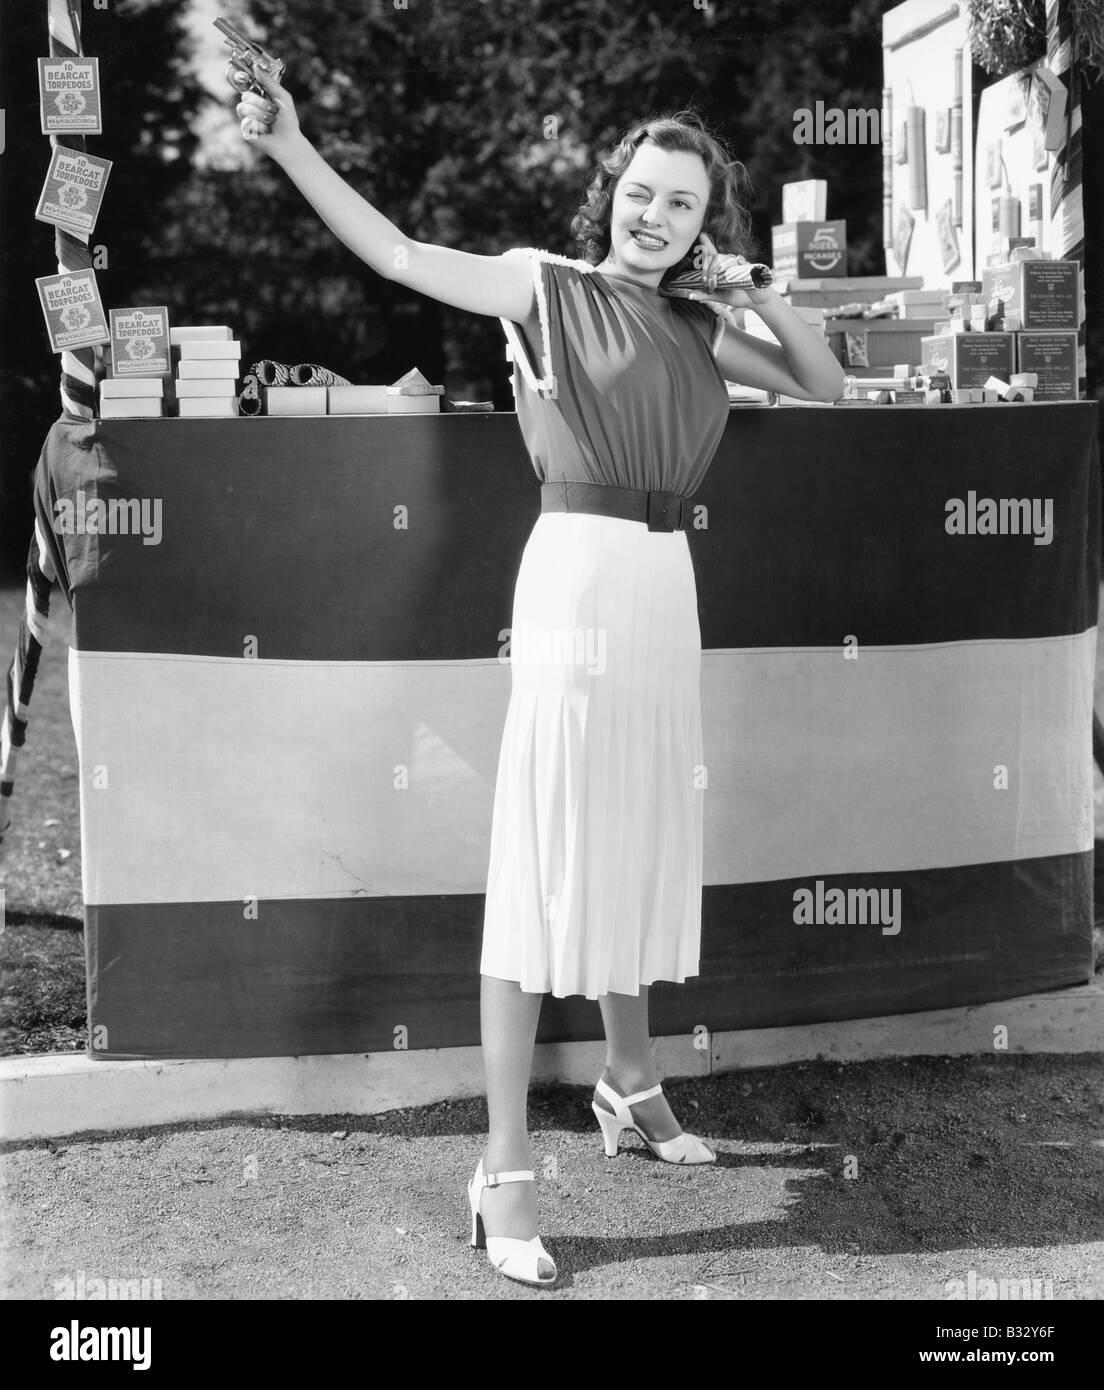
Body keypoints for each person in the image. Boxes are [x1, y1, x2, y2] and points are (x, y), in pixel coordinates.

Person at [235, 69, 845, 1290]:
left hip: (664, 585)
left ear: (703, 221)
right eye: (639, 192)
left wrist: (756, 287)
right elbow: (402, 253)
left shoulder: (700, 325)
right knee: (544, 852)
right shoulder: (545, 287)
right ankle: (504, 1162)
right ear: (607, 195)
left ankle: (631, 1083)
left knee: (629, 828)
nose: (655, 215)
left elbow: (826, 385)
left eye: (682, 203)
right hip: (571, 581)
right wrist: (296, 145)